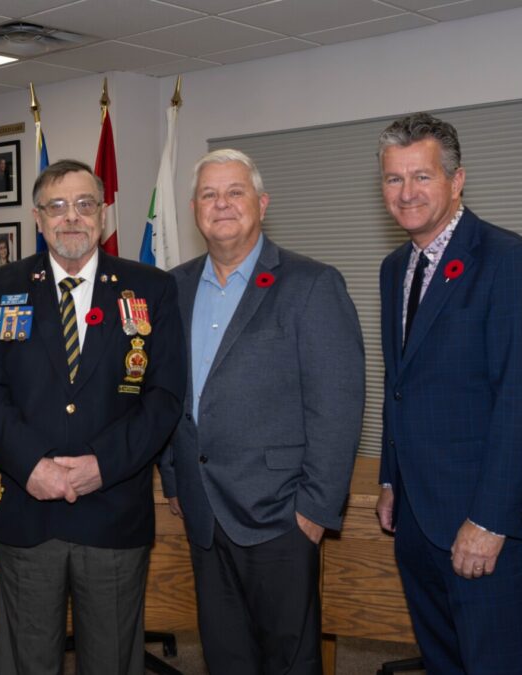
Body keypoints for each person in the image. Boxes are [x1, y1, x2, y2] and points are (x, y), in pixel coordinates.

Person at [0, 159, 185, 674]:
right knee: (28, 662)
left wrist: (101, 465)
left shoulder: (150, 288)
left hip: (112, 509)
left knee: (111, 661)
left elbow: (164, 397)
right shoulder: (3, 287)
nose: (72, 218)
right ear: (37, 219)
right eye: (57, 206)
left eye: (85, 204)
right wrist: (34, 466)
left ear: (103, 217)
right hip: (28, 508)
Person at [159, 148, 365, 675]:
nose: (221, 204)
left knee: (288, 662)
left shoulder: (311, 284)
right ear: (194, 208)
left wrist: (315, 512)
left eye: (235, 192)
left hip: (281, 516)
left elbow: (337, 406)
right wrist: (175, 480)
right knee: (226, 657)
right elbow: (164, 394)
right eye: (209, 194)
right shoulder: (172, 288)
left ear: (262, 203)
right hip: (204, 514)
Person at [375, 112, 522, 674]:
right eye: (393, 179)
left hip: (482, 525)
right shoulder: (394, 269)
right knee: (444, 664)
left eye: (422, 176)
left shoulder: (509, 262)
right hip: (416, 517)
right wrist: (389, 478)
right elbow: (400, 385)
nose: (406, 192)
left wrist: (489, 522)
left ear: (456, 182)